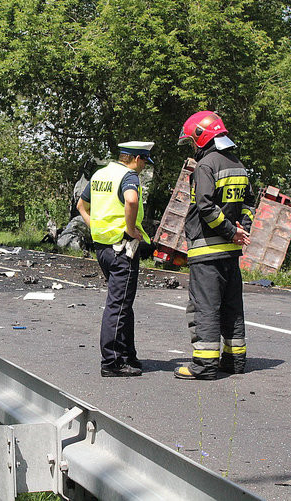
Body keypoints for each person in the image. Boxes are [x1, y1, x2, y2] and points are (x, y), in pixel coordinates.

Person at [174, 111, 256, 380]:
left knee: (205, 308)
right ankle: (234, 360)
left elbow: (205, 207)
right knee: (232, 308)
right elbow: (249, 204)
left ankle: (205, 365)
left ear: (201, 136)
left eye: (191, 141)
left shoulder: (205, 166)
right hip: (231, 254)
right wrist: (241, 228)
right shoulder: (238, 165)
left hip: (207, 250)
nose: (192, 147)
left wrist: (231, 232)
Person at [77, 141, 155, 377]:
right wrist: (130, 229)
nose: (144, 167)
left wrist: (95, 227)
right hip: (123, 248)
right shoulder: (128, 176)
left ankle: (127, 355)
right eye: (144, 161)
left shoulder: (101, 174)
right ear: (137, 158)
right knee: (118, 305)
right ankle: (112, 362)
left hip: (103, 248)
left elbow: (81, 206)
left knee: (123, 304)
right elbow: (131, 200)